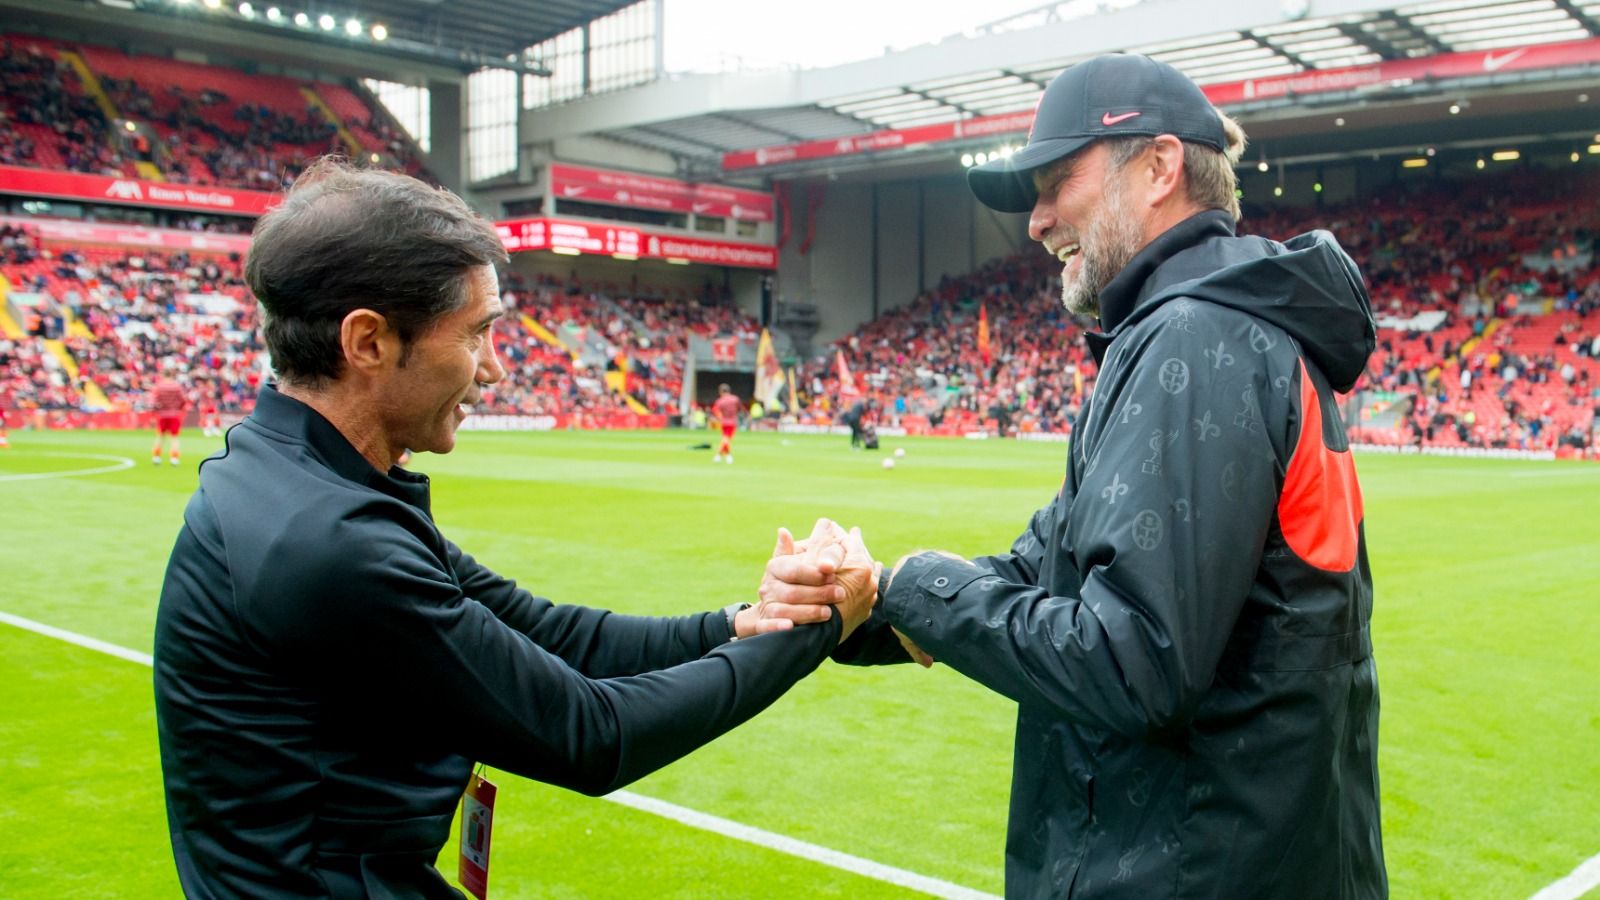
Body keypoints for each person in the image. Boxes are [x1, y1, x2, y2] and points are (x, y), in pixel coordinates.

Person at [153, 159, 875, 899]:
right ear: (367, 341)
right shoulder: (328, 542)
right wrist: (814, 629)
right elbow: (594, 735)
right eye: (475, 335)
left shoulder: (297, 480)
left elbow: (553, 635)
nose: (494, 369)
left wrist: (749, 622)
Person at [770, 54, 1386, 897]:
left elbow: (1134, 661)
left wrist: (916, 586)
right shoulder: (1193, 332)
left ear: (1162, 167)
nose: (1037, 220)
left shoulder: (1198, 341)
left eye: (1059, 181)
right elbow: (1046, 570)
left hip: (1194, 869)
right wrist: (870, 596)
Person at [150, 367, 186, 466]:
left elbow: (154, 401)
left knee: (160, 436)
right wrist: (177, 407)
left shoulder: (159, 386)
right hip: (174, 414)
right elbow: (183, 399)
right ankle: (174, 458)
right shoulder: (177, 386)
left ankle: (156, 457)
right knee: (174, 437)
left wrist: (155, 412)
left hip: (162, 414)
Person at [711, 382, 741, 463]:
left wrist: (720, 417)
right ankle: (721, 455)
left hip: (724, 422)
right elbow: (739, 408)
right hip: (733, 421)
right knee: (726, 440)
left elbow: (715, 410)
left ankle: (726, 455)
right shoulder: (735, 399)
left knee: (725, 439)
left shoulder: (720, 401)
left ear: (721, 391)